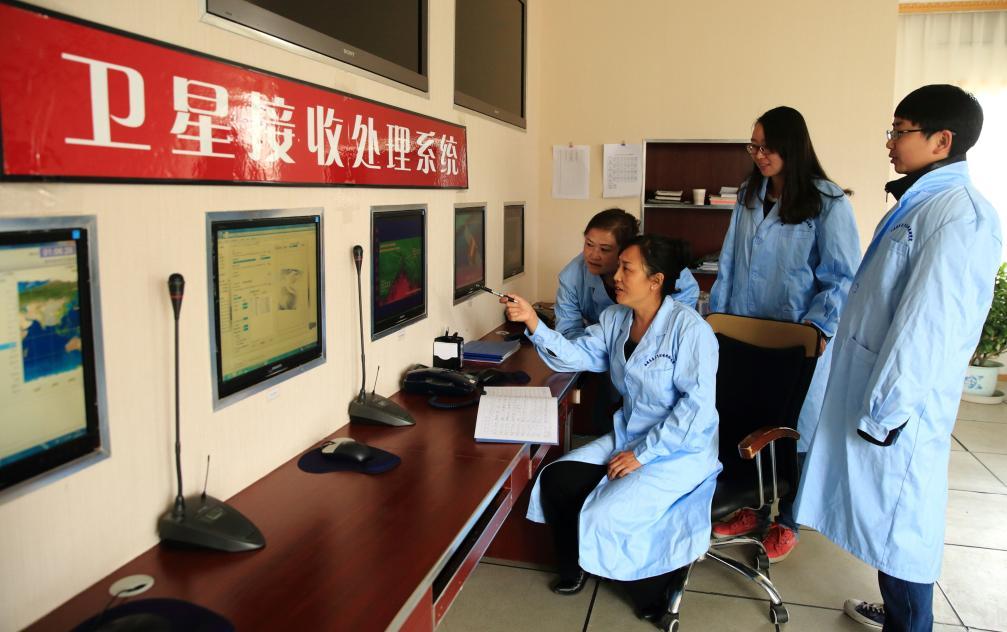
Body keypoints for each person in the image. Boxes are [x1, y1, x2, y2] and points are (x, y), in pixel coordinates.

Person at [794, 85, 1001, 632]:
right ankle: (897, 614)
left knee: (903, 530)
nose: (889, 142)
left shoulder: (960, 217)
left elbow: (929, 328)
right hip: (878, 395)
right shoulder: (922, 203)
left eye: (899, 131)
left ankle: (909, 623)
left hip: (898, 410)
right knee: (888, 526)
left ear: (942, 140)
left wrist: (884, 411)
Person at [500, 235, 721, 625]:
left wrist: (642, 455)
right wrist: (533, 323)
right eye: (618, 267)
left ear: (656, 280)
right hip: (631, 434)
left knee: (607, 514)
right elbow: (577, 356)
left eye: (626, 269)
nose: (615, 276)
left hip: (678, 449)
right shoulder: (617, 319)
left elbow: (695, 412)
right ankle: (576, 566)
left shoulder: (690, 330)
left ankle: (654, 596)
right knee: (556, 478)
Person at [708, 106, 861, 563]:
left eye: (767, 147)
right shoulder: (748, 195)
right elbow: (729, 261)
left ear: (791, 147)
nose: (759, 155)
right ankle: (751, 509)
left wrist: (817, 328)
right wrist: (718, 321)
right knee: (745, 420)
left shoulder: (827, 202)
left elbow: (841, 276)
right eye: (753, 146)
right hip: (742, 332)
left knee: (793, 430)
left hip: (796, 340)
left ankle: (788, 519)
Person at [554, 208, 699, 340]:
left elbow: (686, 297)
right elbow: (568, 332)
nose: (593, 255)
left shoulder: (660, 264)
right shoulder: (572, 276)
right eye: (589, 244)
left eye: (605, 249)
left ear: (625, 249)